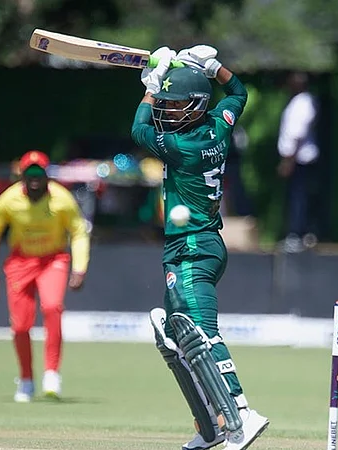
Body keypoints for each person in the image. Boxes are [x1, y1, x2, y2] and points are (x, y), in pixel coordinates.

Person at [131, 45, 269, 450]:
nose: (167, 112)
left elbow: (139, 131)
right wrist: (213, 68)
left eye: (174, 106)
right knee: (179, 339)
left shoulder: (182, 147)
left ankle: (242, 412)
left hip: (191, 248)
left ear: (194, 106)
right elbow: (239, 94)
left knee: (201, 333)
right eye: (167, 105)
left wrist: (150, 89)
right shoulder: (219, 124)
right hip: (199, 244)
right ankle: (211, 423)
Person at [0, 150, 90, 403]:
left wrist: (79, 268)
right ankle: (26, 379)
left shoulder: (61, 199)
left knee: (52, 307)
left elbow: (78, 231)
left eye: (39, 173)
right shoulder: (9, 200)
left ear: (47, 174)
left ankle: (51, 373)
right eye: (29, 174)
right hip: (20, 262)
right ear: (21, 176)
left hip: (53, 259)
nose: (34, 179)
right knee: (20, 325)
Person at [277, 71, 320, 253]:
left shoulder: (304, 102)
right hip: (296, 158)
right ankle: (301, 233)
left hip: (300, 158)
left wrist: (288, 160)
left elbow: (298, 133)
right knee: (297, 197)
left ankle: (297, 235)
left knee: (299, 198)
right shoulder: (295, 102)